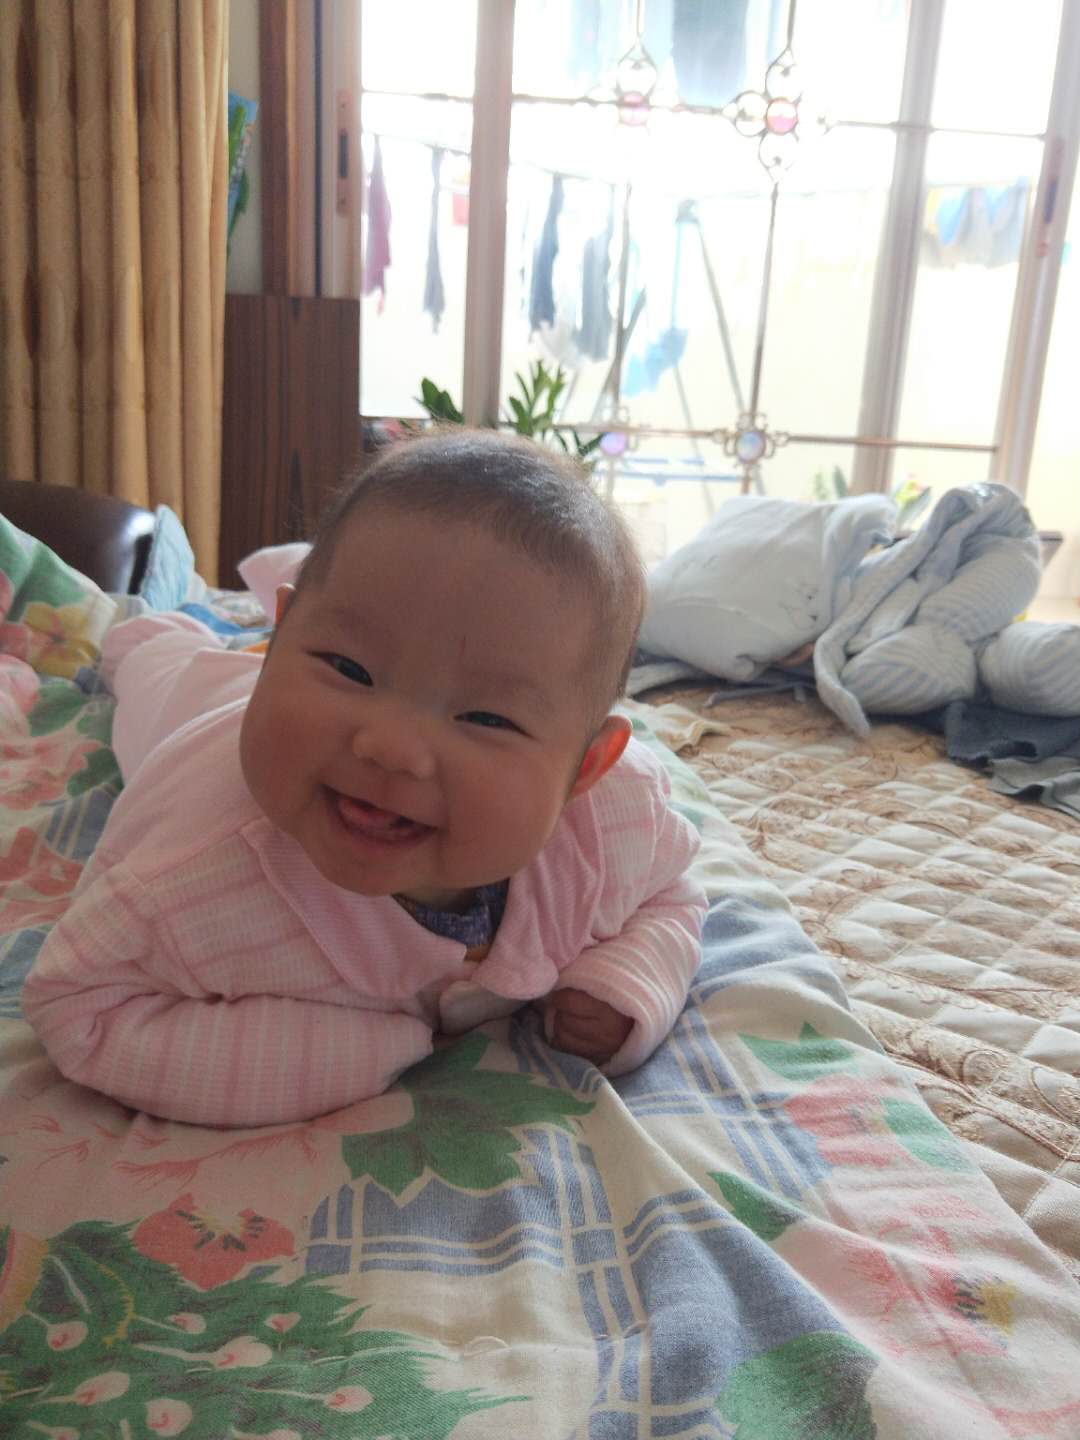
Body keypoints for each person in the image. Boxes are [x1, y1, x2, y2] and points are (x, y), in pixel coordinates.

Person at [23, 431, 707, 1127]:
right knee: (158, 668)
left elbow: (672, 893)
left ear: (586, 768)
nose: (391, 748)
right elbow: (77, 1005)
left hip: (291, 699)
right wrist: (355, 1050)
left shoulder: (613, 827)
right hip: (195, 710)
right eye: (348, 667)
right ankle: (154, 636)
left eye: (486, 717)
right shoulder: (186, 885)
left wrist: (628, 980)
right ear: (285, 639)